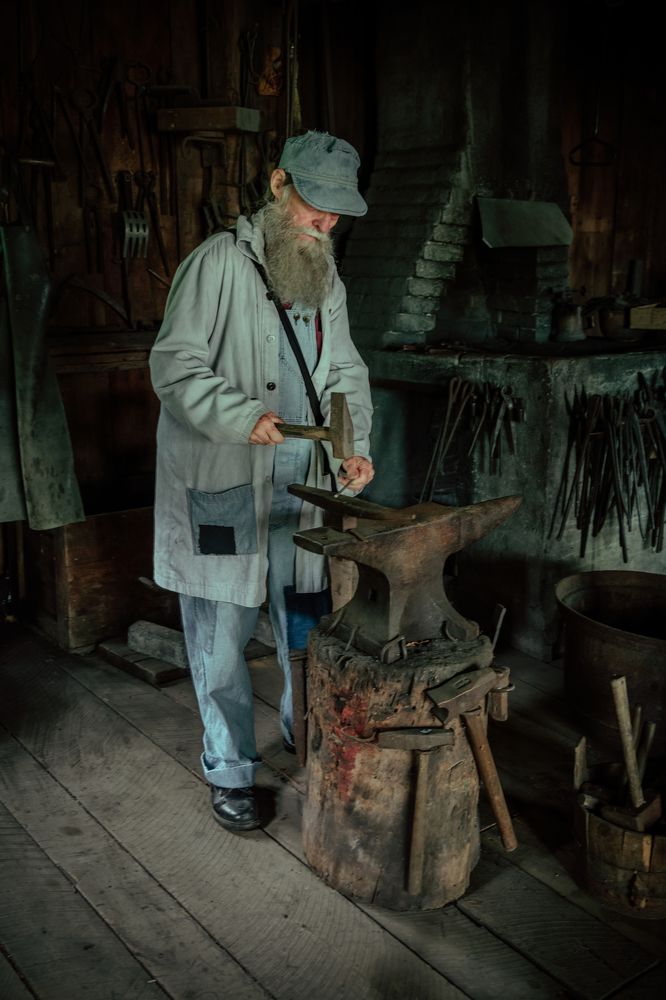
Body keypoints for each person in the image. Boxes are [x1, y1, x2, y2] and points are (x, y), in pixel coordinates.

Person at [149, 131, 374, 832]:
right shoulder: (216, 263)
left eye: (337, 213)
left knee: (304, 634)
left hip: (301, 495)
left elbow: (344, 375)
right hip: (226, 488)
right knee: (219, 641)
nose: (325, 223)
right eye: (316, 206)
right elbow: (174, 367)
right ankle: (233, 771)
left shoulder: (325, 281)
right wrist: (241, 415)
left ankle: (306, 742)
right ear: (279, 186)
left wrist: (353, 448)